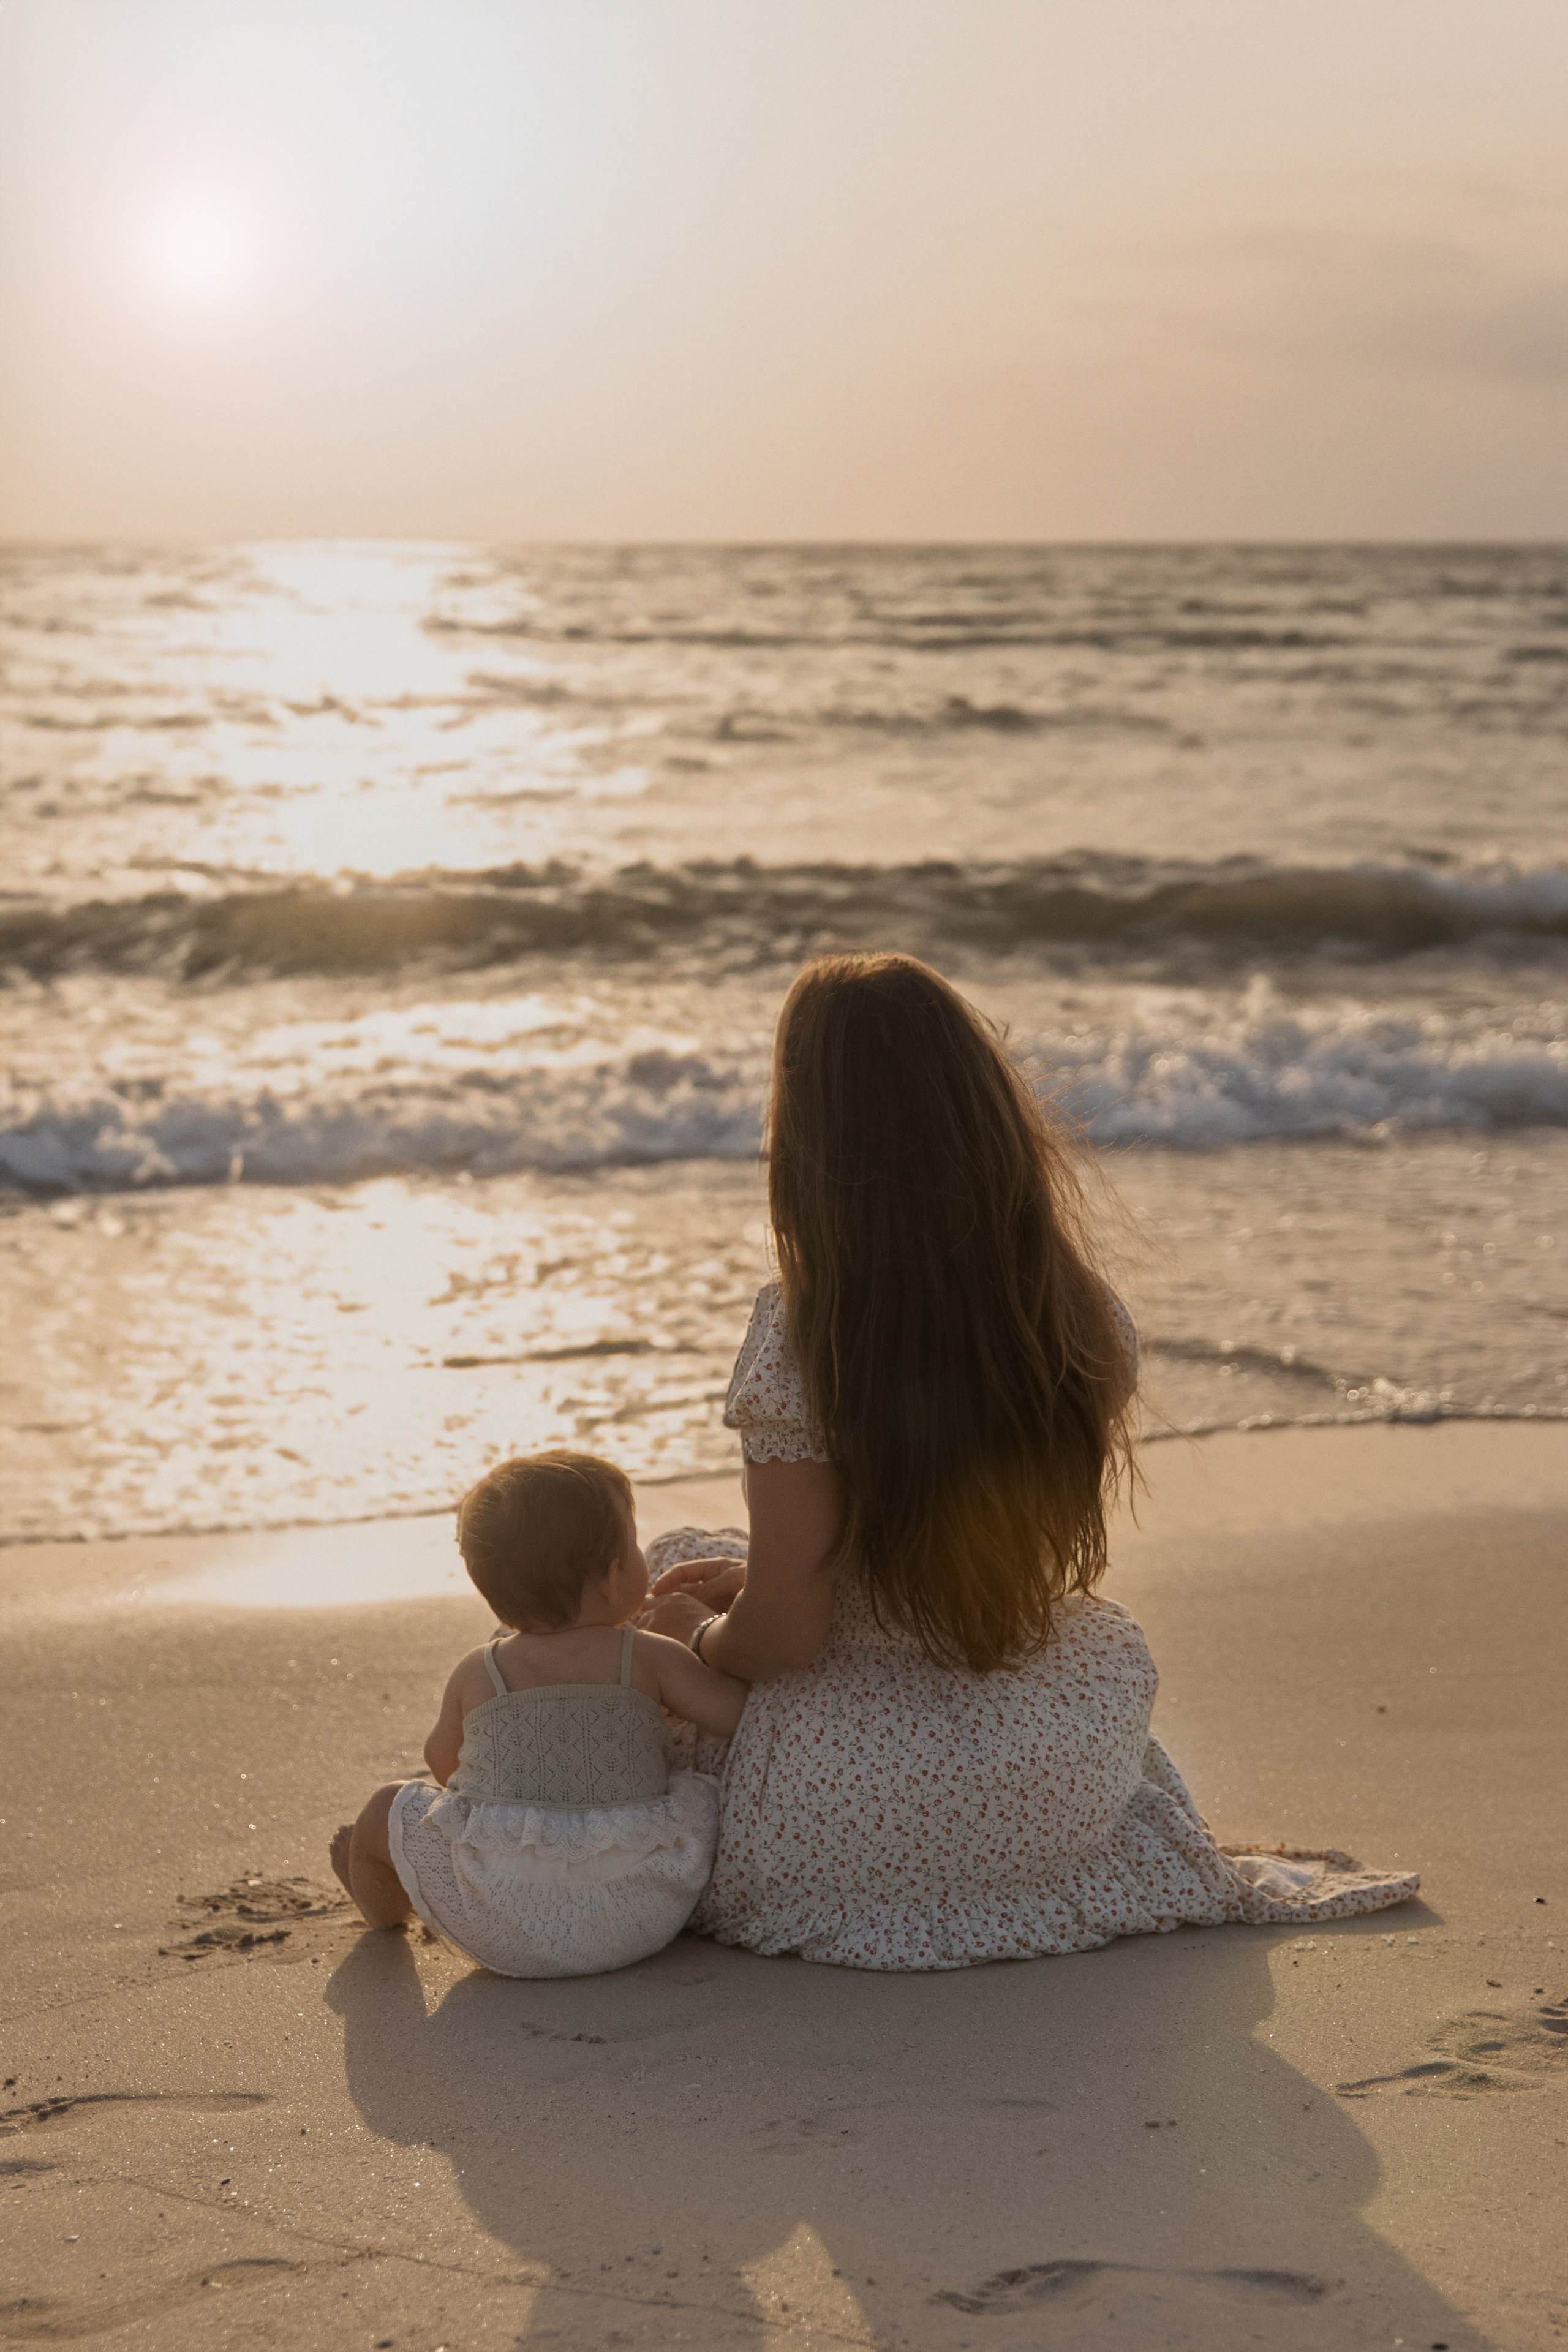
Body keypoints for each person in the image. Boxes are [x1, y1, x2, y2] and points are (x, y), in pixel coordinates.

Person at [643, 951, 1417, 1971]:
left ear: (813, 1142)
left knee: (660, 1579)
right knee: (719, 1561)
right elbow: (948, 1557)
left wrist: (695, 1635)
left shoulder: (803, 1334)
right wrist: (776, 1583)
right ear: (986, 1113)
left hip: (844, 1810)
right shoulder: (1080, 1315)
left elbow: (786, 1638)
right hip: (1048, 1778)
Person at [329, 1451, 747, 1977]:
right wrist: (702, 1636)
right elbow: (740, 1716)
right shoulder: (650, 1655)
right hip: (642, 1911)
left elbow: (443, 1764)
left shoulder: (478, 1672)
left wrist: (516, 1798)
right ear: (614, 1578)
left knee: (387, 1807)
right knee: (697, 1788)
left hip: (505, 1925)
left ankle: (383, 1907)